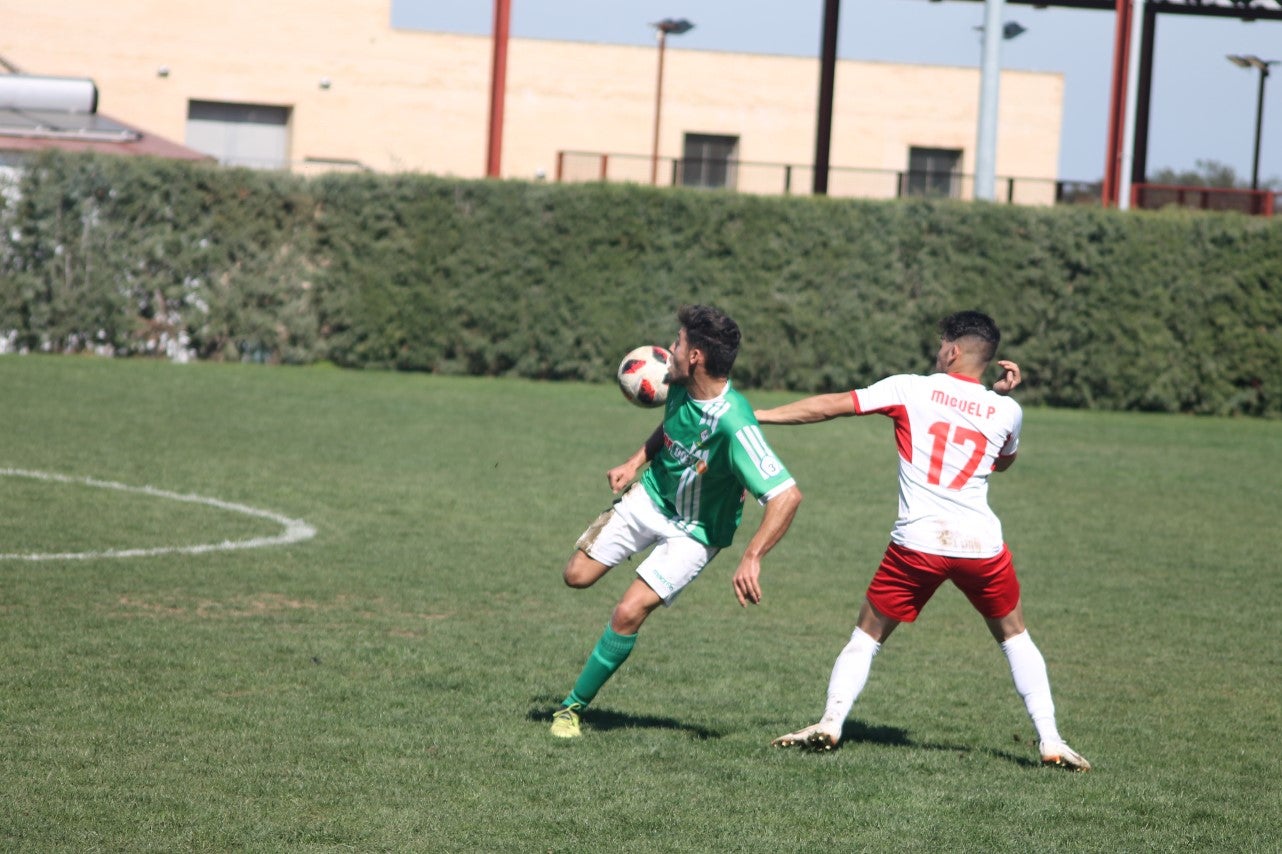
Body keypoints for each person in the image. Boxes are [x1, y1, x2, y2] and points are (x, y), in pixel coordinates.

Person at [756, 310, 1090, 771]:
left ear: (953, 350)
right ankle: (1050, 739)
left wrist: (759, 416)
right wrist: (996, 400)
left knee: (866, 636)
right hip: (981, 547)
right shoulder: (1009, 410)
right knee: (1015, 638)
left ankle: (831, 721)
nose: (937, 351)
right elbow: (1000, 461)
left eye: (940, 344)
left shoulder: (911, 387)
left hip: (918, 545)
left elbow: (832, 404)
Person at [551, 304, 803, 739]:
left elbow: (786, 495)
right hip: (651, 498)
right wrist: (634, 463)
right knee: (576, 575)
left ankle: (571, 709)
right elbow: (668, 431)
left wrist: (752, 556)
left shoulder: (735, 424)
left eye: (679, 342)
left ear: (696, 358)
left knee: (628, 612)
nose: (670, 348)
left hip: (696, 533)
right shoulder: (677, 384)